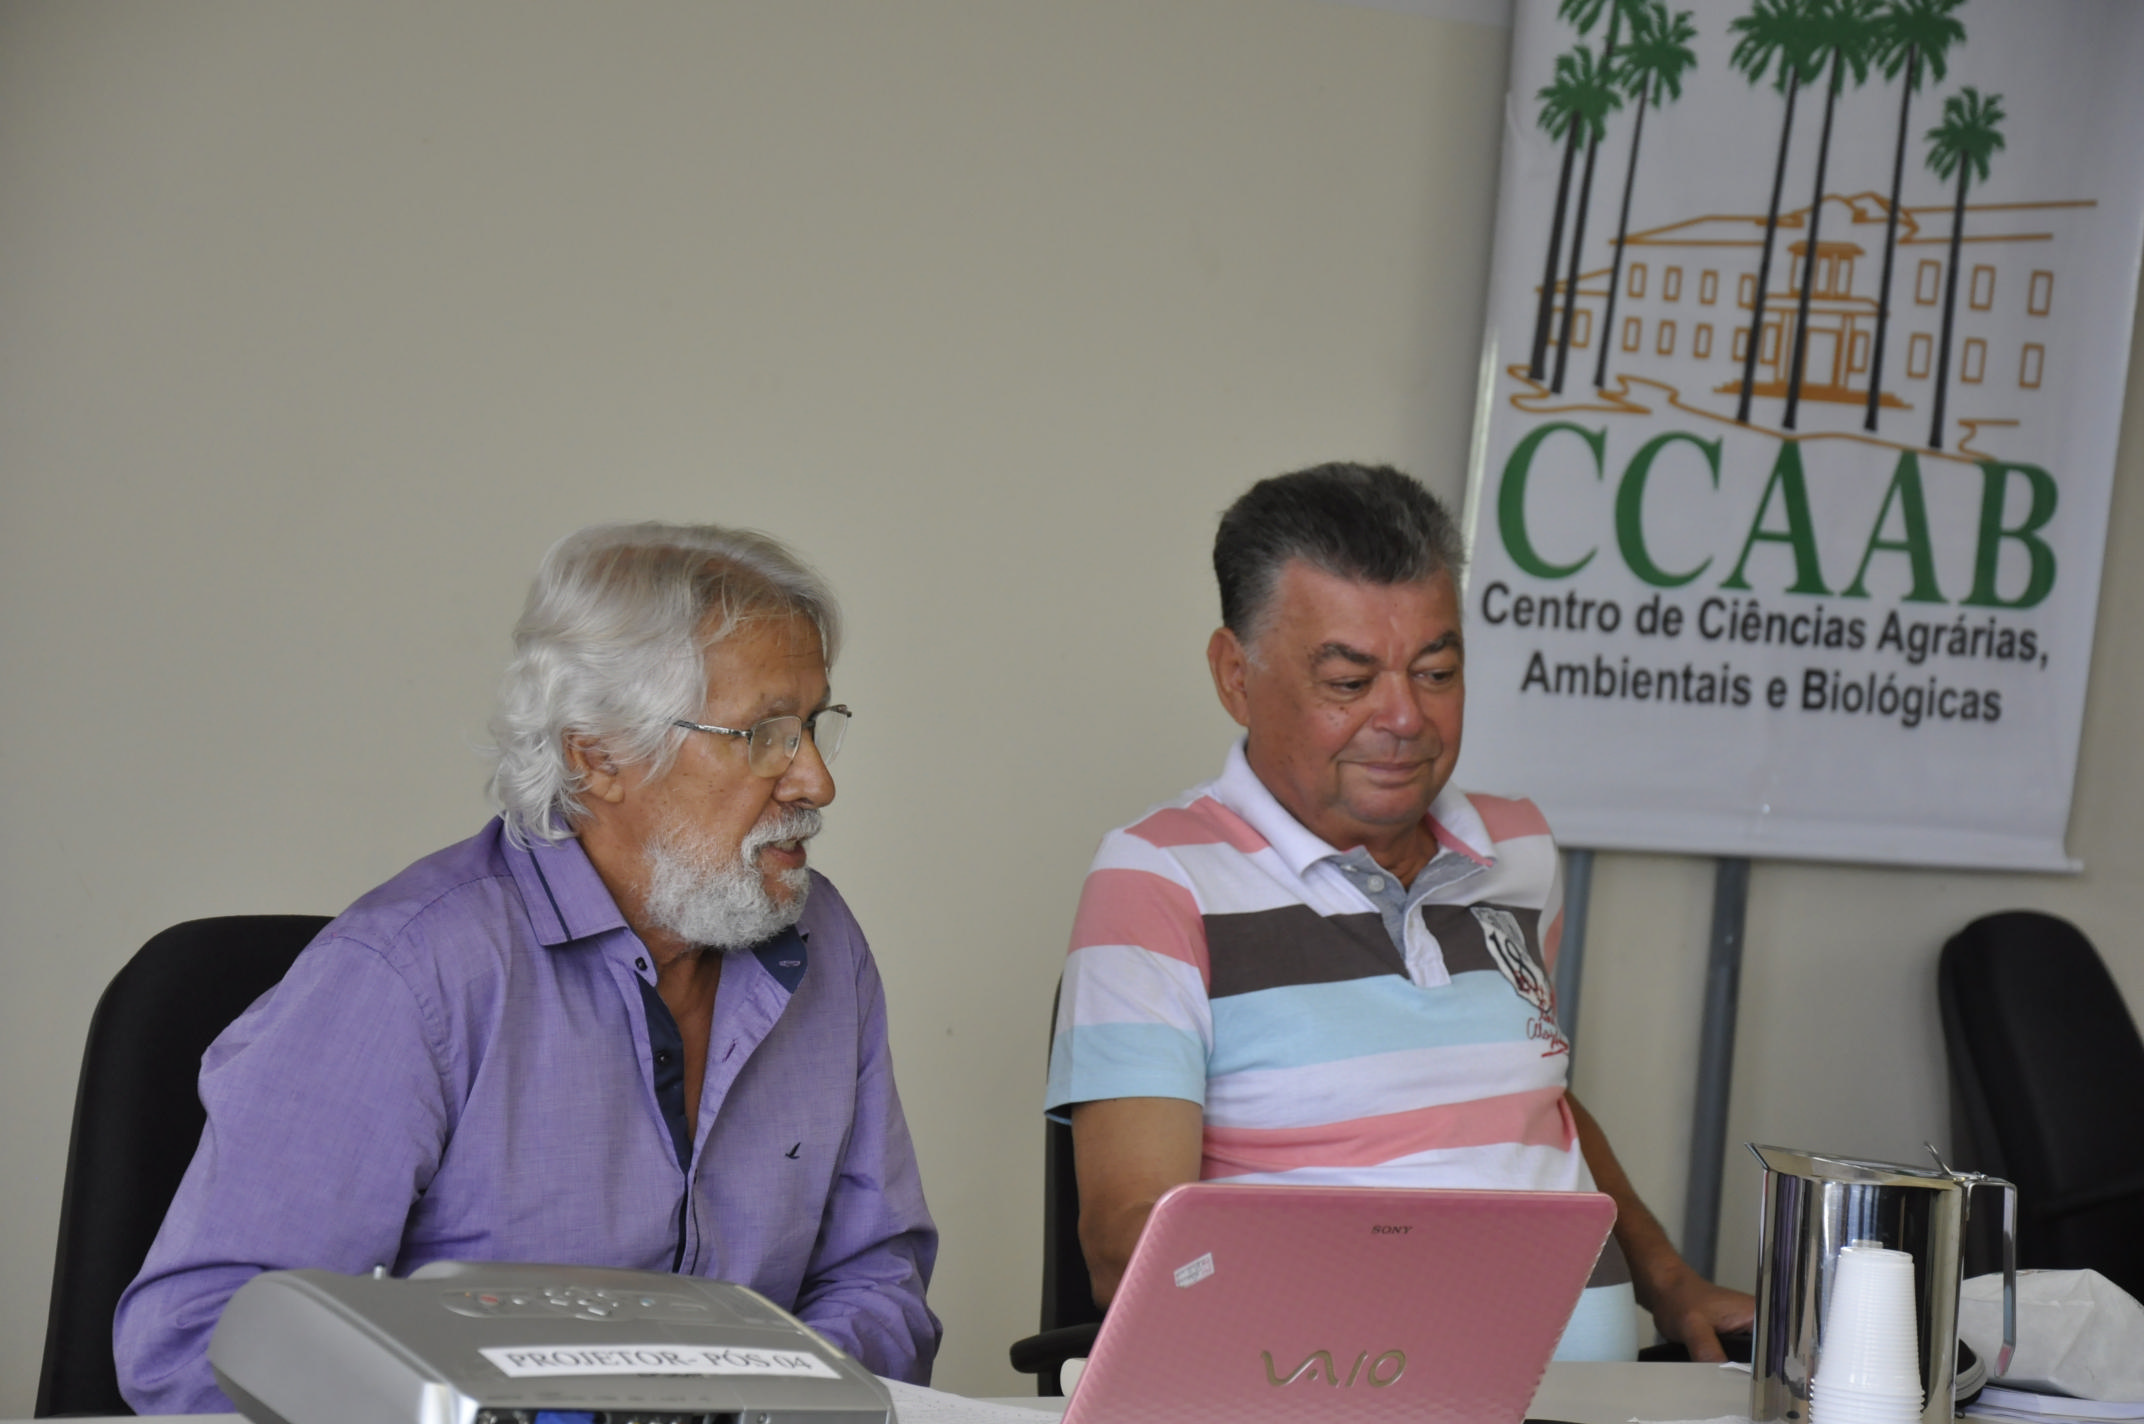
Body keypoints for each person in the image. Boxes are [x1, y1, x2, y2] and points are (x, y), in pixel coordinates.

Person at [116, 522, 940, 1412]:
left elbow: (875, 1275)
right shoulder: (408, 976)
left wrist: (778, 1407)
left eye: (814, 727)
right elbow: (200, 1342)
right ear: (599, 755)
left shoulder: (825, 945)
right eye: (765, 735)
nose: (815, 781)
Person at [1044, 463, 1754, 1361]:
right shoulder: (1159, 878)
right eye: (1350, 682)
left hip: (1594, 1400)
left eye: (1437, 671)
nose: (1406, 717)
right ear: (1235, 675)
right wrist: (1423, 1352)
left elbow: (1530, 1104)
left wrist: (1669, 1282)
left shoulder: (1518, 849)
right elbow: (1128, 1247)